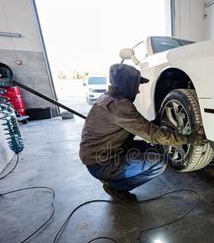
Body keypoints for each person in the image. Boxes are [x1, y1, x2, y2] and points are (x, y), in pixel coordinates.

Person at [79, 64, 204, 202]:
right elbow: (153, 134)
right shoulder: (120, 106)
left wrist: (157, 122)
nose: (138, 91)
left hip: (105, 153)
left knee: (155, 149)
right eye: (136, 85)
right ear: (127, 84)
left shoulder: (108, 99)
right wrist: (189, 138)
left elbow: (141, 127)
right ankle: (117, 187)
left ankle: (113, 178)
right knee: (159, 163)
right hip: (102, 163)